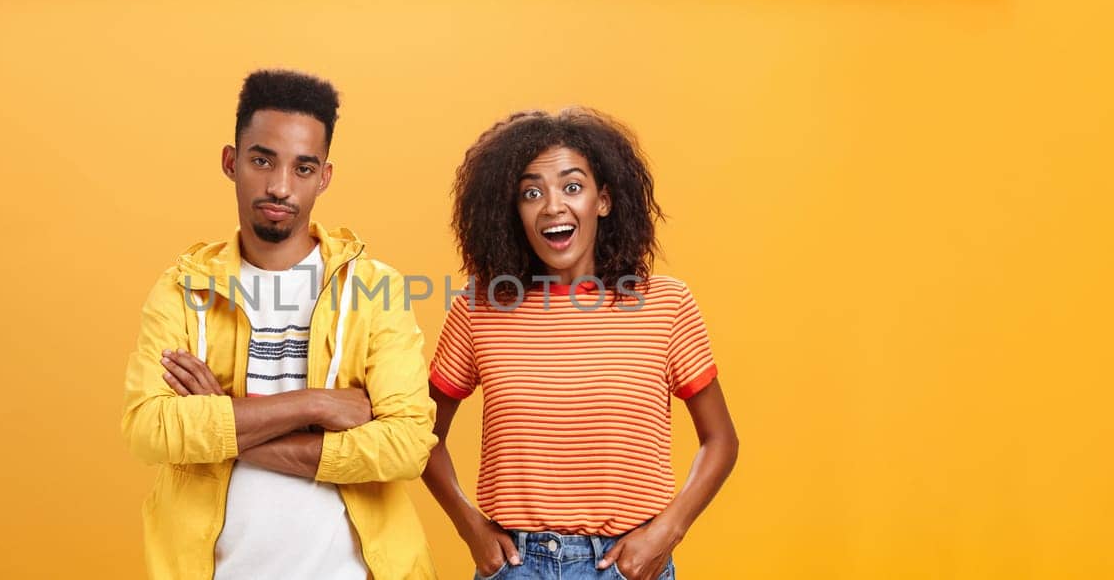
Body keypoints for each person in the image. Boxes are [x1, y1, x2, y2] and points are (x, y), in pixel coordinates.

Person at [121, 69, 437, 579]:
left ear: (325, 177)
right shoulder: (183, 288)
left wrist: (221, 421)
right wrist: (314, 404)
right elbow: (148, 430)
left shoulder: (375, 288)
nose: (280, 187)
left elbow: (406, 446)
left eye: (303, 168)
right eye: (262, 160)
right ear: (231, 162)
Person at [421, 108, 740, 580]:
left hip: (629, 566)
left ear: (603, 200)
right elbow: (421, 435)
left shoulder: (665, 304)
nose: (553, 207)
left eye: (572, 187)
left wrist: (667, 533)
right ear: (513, 211)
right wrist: (471, 528)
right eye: (532, 192)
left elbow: (721, 441)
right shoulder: (479, 308)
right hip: (517, 567)